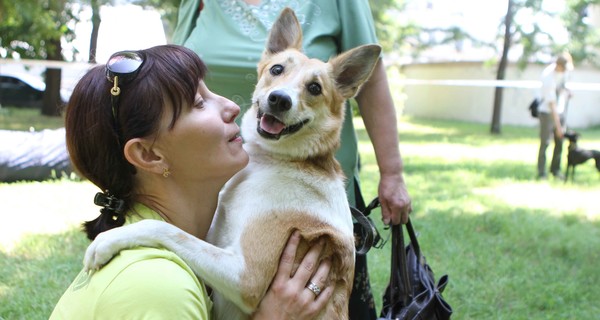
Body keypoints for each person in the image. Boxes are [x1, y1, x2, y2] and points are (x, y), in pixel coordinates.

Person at [50, 45, 334, 319]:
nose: (233, 106)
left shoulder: (173, 256)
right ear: (148, 154)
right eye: (199, 103)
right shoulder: (162, 290)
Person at [171, 1, 412, 318]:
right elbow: (169, 74)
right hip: (220, 164)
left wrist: (392, 172)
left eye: (313, 88)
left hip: (301, 177)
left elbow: (244, 285)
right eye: (277, 71)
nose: (283, 93)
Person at [537, 53, 573, 180]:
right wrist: (558, 127)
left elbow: (563, 85)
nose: (564, 71)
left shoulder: (563, 73)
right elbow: (551, 104)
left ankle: (555, 170)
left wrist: (567, 91)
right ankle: (541, 173)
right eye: (563, 68)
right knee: (545, 142)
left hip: (560, 110)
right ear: (558, 65)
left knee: (560, 142)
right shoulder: (548, 77)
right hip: (547, 112)